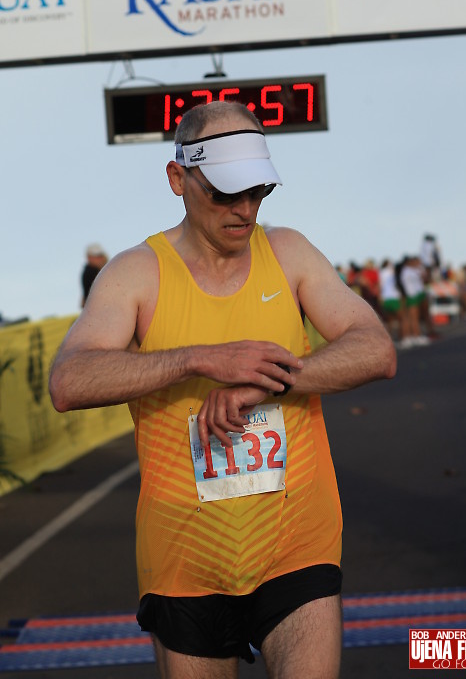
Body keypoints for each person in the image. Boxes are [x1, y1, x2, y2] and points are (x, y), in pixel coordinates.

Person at [49, 101, 396, 679]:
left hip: (296, 543)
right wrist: (199, 359)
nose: (245, 210)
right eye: (225, 194)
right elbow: (70, 380)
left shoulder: (287, 252)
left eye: (258, 192)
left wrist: (267, 383)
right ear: (178, 179)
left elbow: (374, 349)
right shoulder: (137, 272)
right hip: (186, 556)